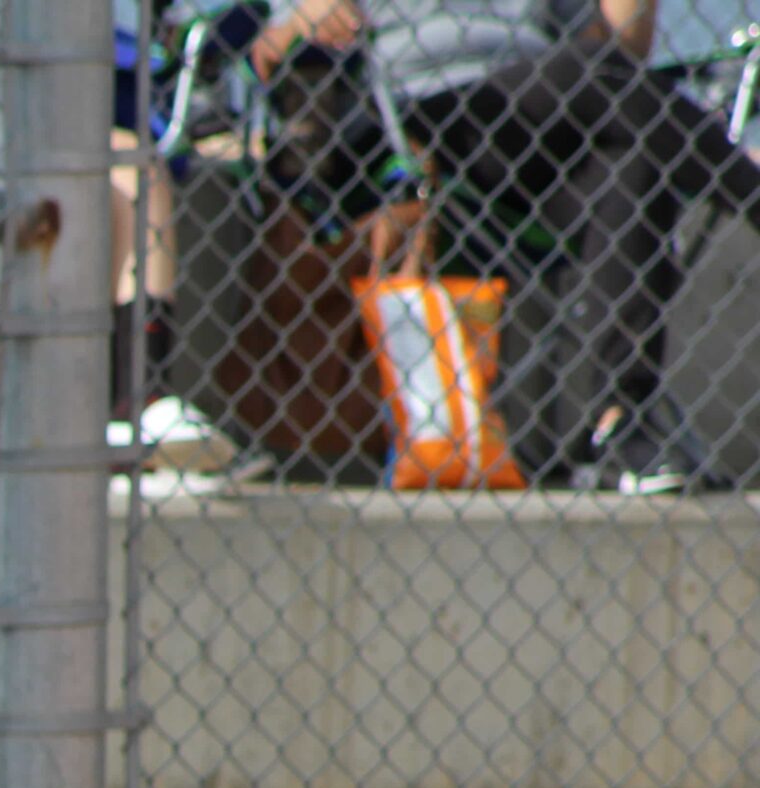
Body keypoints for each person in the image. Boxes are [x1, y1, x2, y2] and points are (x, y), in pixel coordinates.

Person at [253, 0, 760, 490]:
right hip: (423, 116)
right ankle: (748, 186)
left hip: (542, 121)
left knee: (633, 164)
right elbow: (273, 46)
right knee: (591, 71)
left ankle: (620, 421)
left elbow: (622, 48)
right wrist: (307, 17)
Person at [0, 0, 238, 464]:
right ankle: (72, 424)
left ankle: (141, 404)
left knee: (134, 165)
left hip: (38, 111)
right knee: (72, 187)